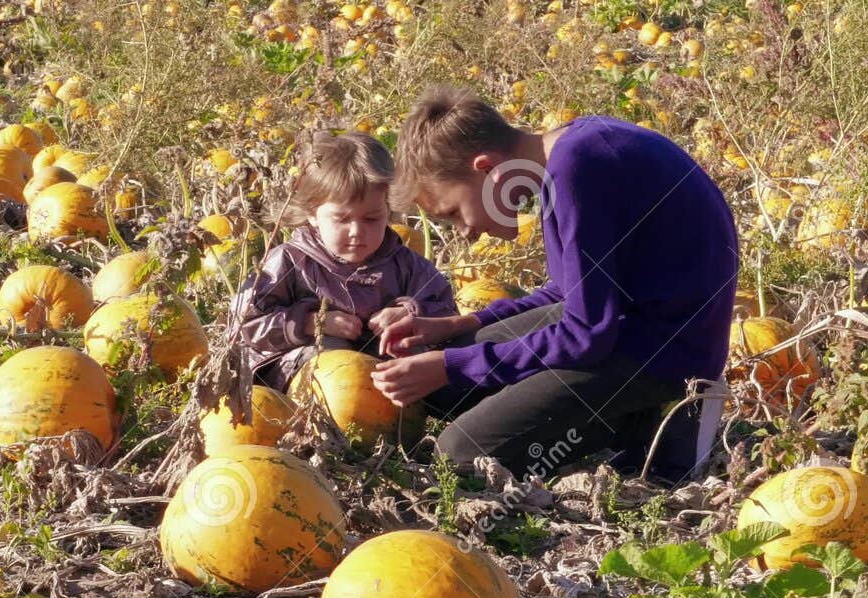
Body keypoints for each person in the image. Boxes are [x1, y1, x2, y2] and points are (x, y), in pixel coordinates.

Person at [373, 87, 739, 483]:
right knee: (448, 391)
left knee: (460, 456)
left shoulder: (582, 168)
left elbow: (586, 335)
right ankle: (617, 414)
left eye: (453, 213)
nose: (463, 232)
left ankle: (645, 424)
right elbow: (568, 292)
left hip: (663, 351)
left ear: (486, 168)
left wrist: (452, 366)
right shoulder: (562, 156)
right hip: (626, 324)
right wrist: (460, 326)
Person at [233, 130, 457, 391]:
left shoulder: (405, 264)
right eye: (341, 219)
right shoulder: (289, 261)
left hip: (383, 382)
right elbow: (245, 325)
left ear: (389, 210)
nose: (356, 231)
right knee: (330, 352)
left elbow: (447, 311)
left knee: (410, 347)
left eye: (371, 219)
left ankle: (406, 418)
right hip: (307, 373)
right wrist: (309, 322)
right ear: (312, 214)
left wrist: (409, 312)